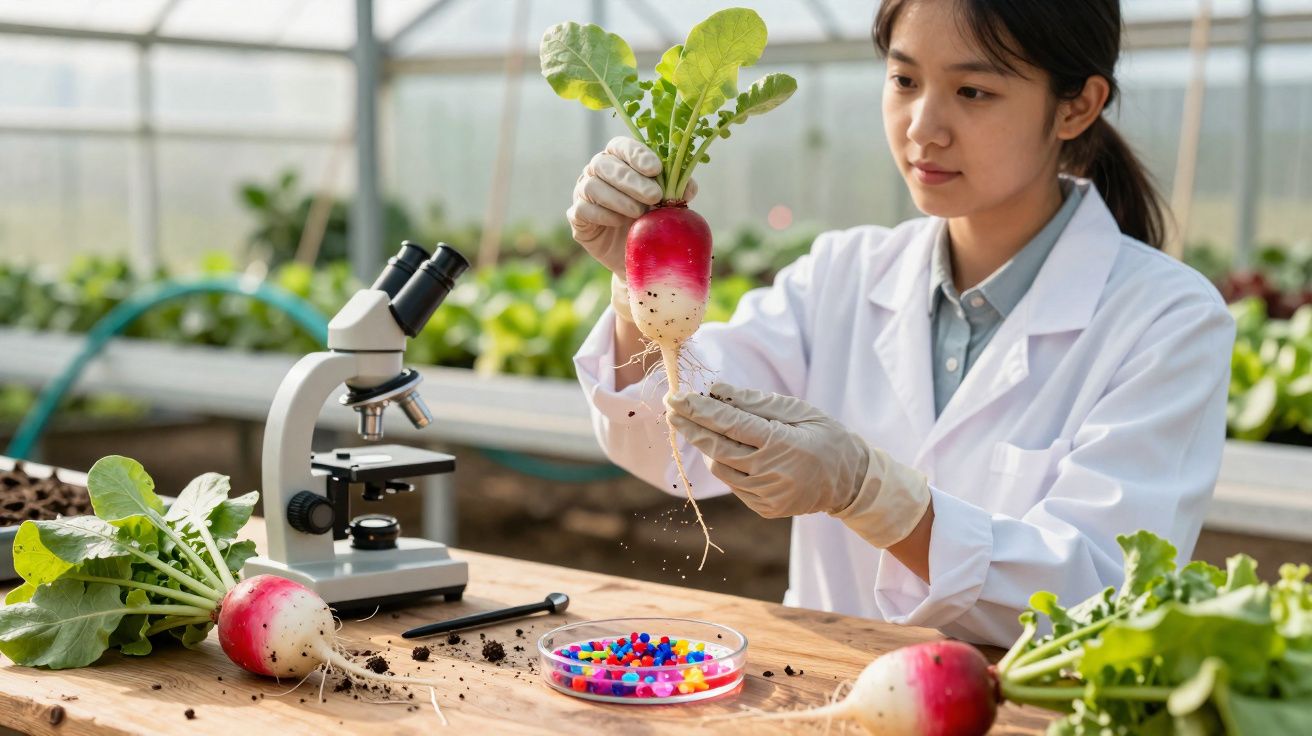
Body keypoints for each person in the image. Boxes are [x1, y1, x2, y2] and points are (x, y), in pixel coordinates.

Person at [566, 0, 1235, 646]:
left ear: (1076, 106)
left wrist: (874, 496)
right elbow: (671, 447)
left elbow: (1097, 592)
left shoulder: (1166, 322)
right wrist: (639, 288)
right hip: (829, 698)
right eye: (905, 80)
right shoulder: (842, 273)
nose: (924, 127)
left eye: (973, 91)